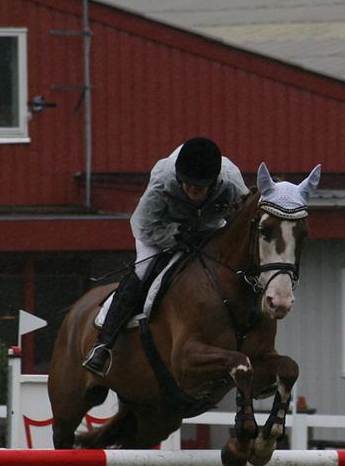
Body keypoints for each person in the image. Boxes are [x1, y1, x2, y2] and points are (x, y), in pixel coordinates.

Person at [83, 136, 249, 376]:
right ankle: (103, 344)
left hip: (208, 230)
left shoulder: (232, 183)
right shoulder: (163, 181)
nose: (192, 190)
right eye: (187, 185)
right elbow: (142, 226)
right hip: (159, 230)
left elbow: (242, 219)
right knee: (143, 272)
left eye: (199, 187)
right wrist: (177, 237)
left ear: (214, 182)